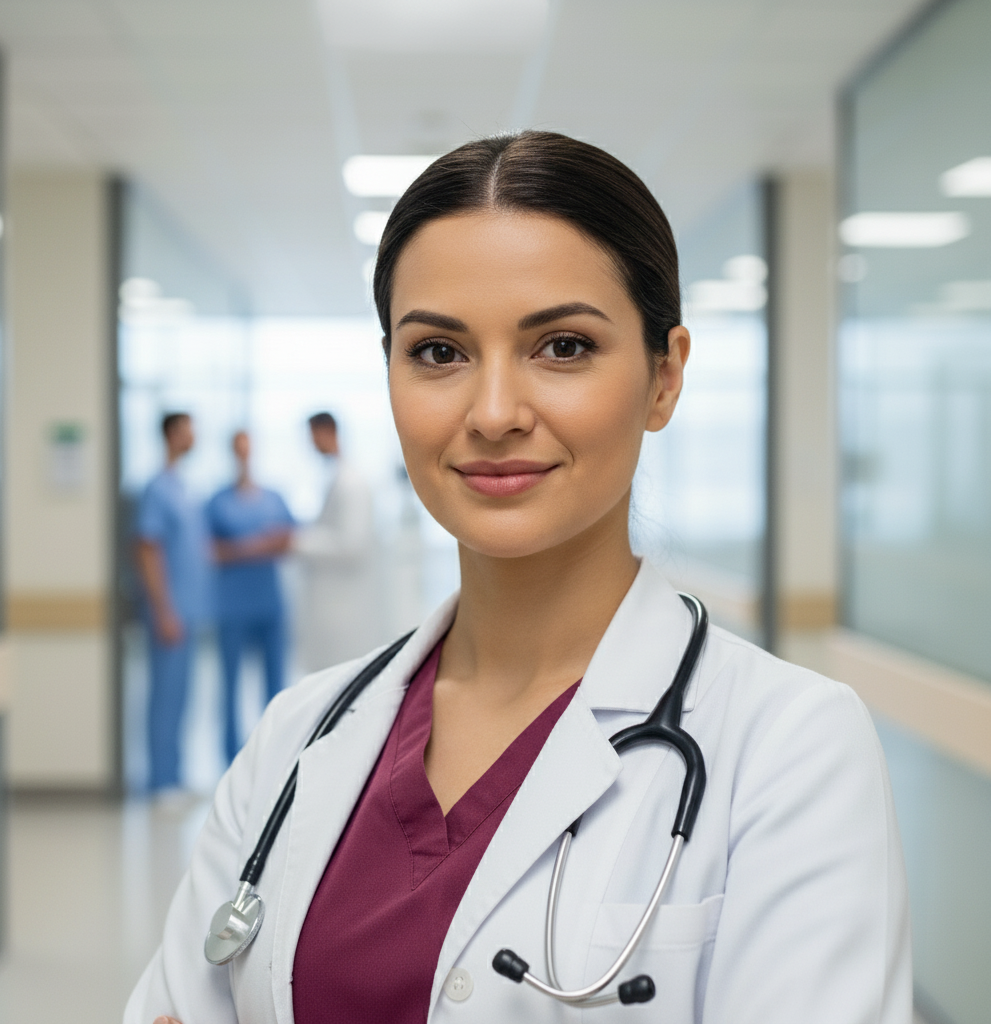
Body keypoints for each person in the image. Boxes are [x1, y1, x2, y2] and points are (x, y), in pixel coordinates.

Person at [128, 132, 910, 1024]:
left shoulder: (790, 749)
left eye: (564, 346)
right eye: (438, 353)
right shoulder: (299, 735)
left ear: (665, 376)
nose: (494, 413)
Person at [206, 430, 296, 764]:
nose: (244, 454)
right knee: (229, 686)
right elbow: (211, 552)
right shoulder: (217, 501)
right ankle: (230, 759)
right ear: (232, 452)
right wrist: (259, 545)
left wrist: (239, 547)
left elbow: (288, 541)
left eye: (248, 448)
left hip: (269, 604)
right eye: (238, 449)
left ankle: (274, 757)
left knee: (276, 688)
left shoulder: (274, 497)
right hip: (232, 606)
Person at [134, 412, 208, 794]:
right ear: (170, 434)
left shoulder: (182, 486)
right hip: (169, 610)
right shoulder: (158, 488)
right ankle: (160, 780)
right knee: (165, 696)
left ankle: (175, 776)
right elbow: (148, 550)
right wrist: (164, 609)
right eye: (187, 430)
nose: (193, 436)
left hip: (188, 609)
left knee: (181, 695)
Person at [293, 412, 379, 671]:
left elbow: (351, 545)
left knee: (341, 672)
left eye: (313, 436)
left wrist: (297, 542)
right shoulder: (337, 478)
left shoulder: (350, 482)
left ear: (326, 432)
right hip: (332, 603)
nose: (311, 444)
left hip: (343, 607)